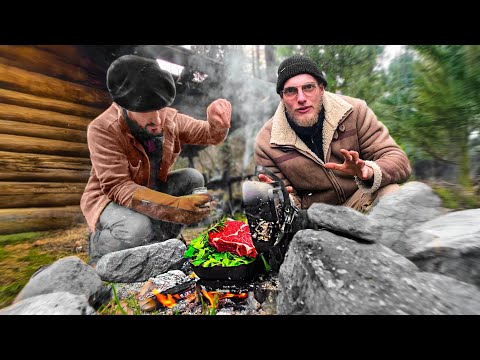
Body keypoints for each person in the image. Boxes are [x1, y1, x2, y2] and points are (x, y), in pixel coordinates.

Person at [80, 54, 232, 265]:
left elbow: (209, 134)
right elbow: (118, 187)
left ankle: (164, 241)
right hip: (109, 201)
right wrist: (176, 204)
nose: (158, 120)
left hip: (151, 194)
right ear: (126, 106)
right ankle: (98, 246)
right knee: (137, 230)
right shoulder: (102, 129)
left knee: (192, 177)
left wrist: (218, 123)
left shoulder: (169, 119)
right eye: (147, 111)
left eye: (160, 108)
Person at [254, 54, 411, 232]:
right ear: (282, 97)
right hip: (314, 221)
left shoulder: (355, 112)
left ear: (321, 88)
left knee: (391, 193)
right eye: (291, 91)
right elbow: (289, 203)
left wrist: (368, 171)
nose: (301, 98)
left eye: (308, 87)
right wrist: (283, 200)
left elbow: (399, 161)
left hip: (360, 202)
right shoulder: (267, 142)